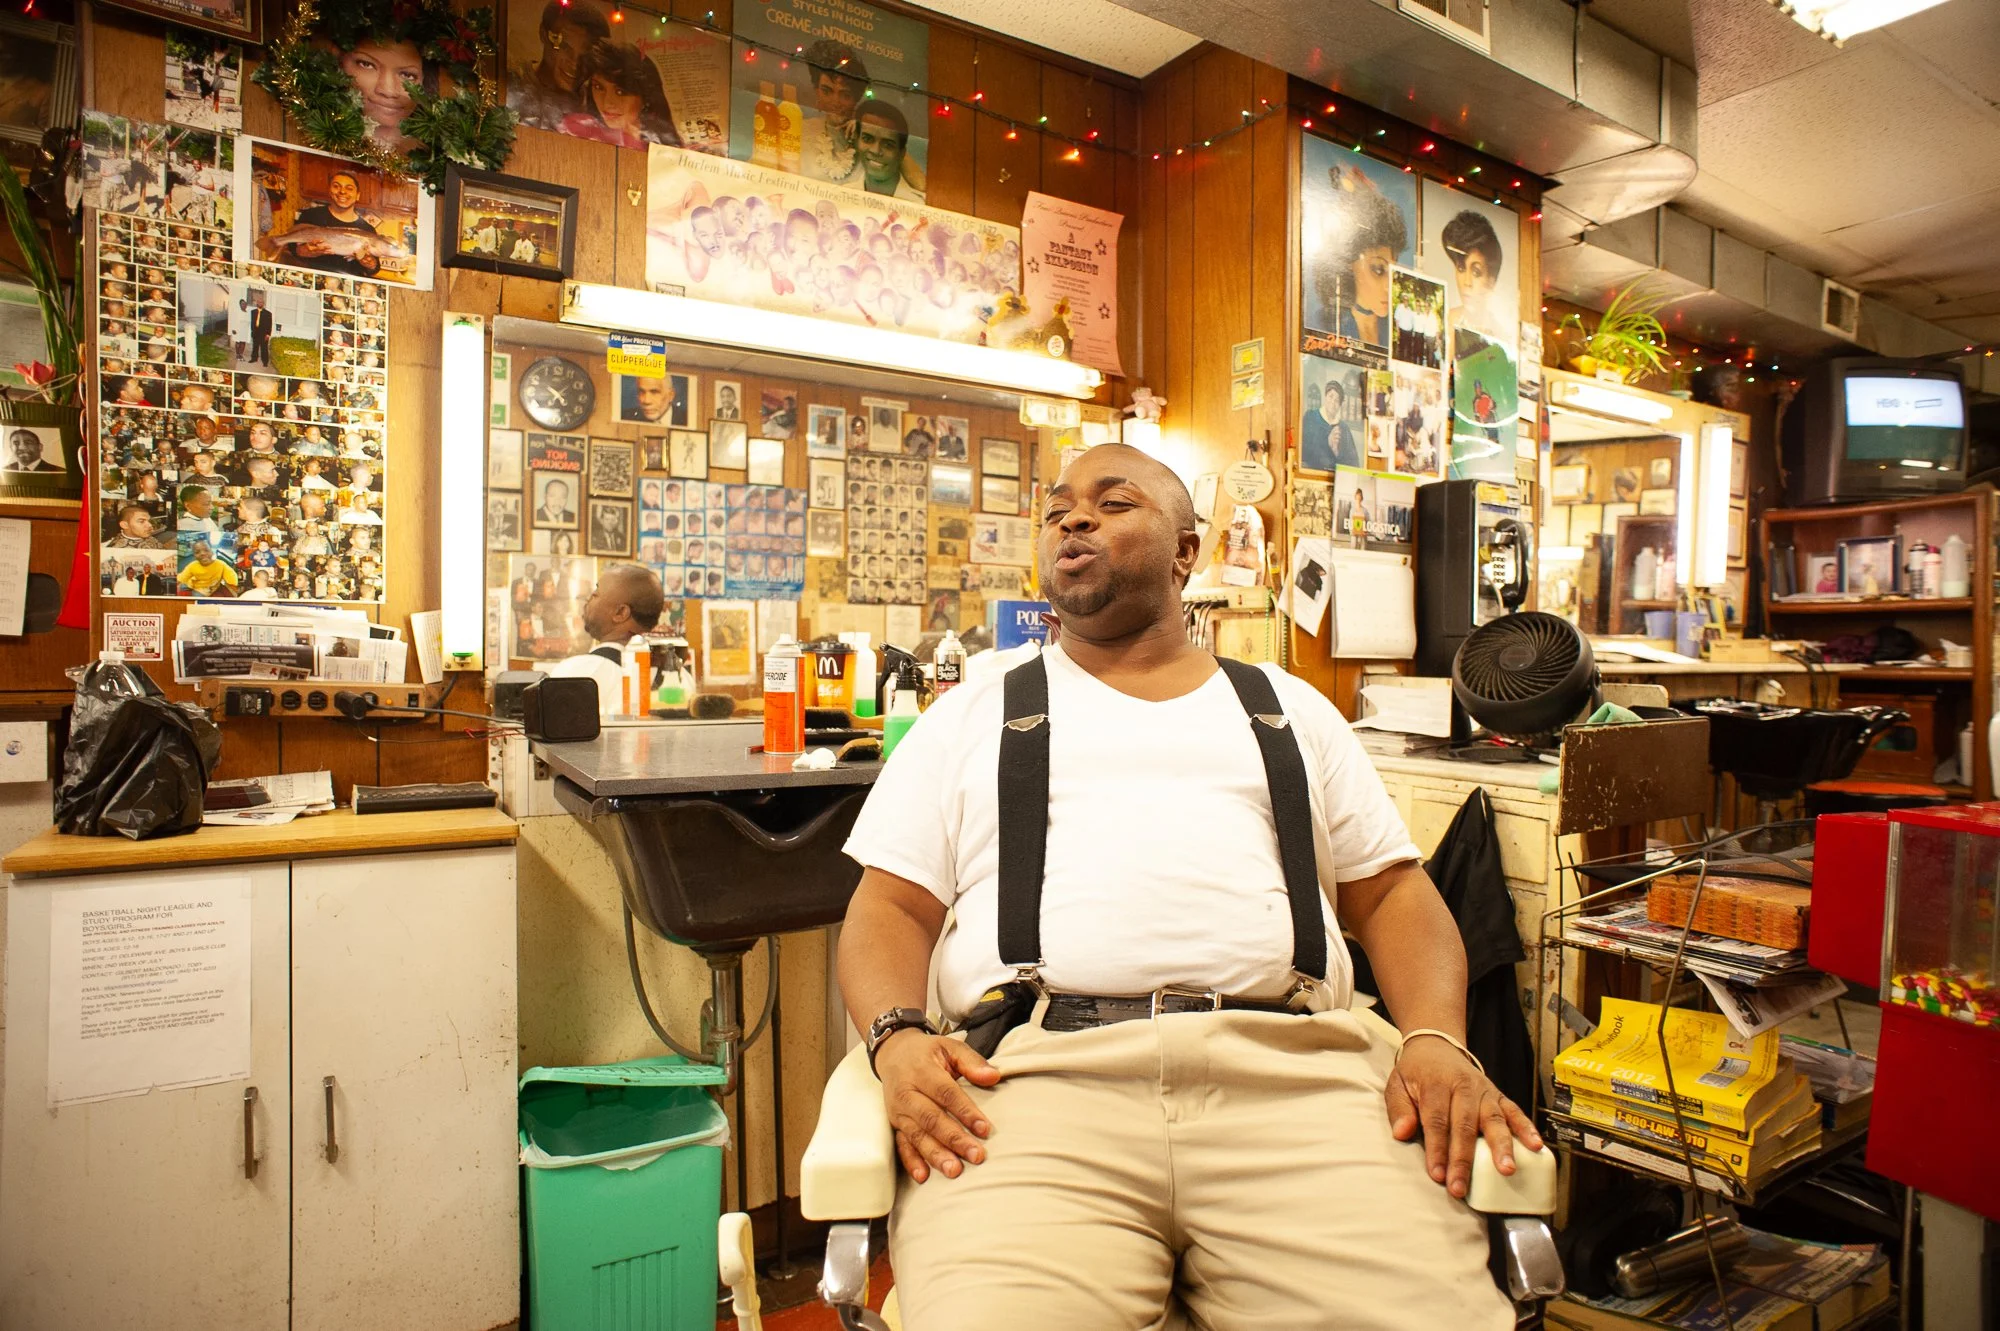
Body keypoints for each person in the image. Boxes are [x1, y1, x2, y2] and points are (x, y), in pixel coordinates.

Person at [836, 443, 1532, 1329]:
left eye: (1113, 502)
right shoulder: (972, 712)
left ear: (1186, 552)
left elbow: (1394, 894)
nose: (1073, 518)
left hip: (1299, 1084)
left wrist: (1434, 1036)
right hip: (1036, 1089)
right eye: (1058, 508)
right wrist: (895, 1036)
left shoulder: (1287, 708)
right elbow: (890, 906)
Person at [543, 562, 665, 700]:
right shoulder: (676, 677)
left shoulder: (579, 672)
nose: (587, 600)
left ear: (620, 612)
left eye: (595, 595)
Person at [1313, 177, 1406, 350]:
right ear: (1348, 264)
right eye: (1378, 270)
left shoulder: (1399, 329)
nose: (1389, 286)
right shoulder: (1324, 324)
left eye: (1394, 271)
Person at [511, 2, 612, 130]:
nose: (574, 64)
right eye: (565, 47)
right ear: (543, 35)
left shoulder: (596, 105)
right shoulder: (512, 82)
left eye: (585, 56)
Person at [560, 42, 680, 149]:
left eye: (620, 92)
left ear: (645, 97)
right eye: (598, 87)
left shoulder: (666, 145)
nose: (607, 103)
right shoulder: (575, 129)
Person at [281, 172, 384, 279]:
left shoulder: (367, 229)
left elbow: (374, 268)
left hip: (346, 285)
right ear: (329, 191)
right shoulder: (311, 215)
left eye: (349, 188)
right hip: (313, 280)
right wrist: (304, 251)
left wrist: (370, 263)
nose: (342, 191)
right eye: (336, 186)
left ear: (358, 195)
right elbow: (292, 247)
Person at [337, 36, 427, 155]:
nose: (388, 91)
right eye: (367, 64)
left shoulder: (432, 158)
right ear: (339, 63)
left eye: (407, 75)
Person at [1439, 210, 1505, 339]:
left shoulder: (1500, 337)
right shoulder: (1446, 323)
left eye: (1476, 272)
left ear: (1491, 280)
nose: (1467, 282)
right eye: (1461, 268)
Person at [854, 100, 922, 200]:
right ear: (857, 141)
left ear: (901, 154)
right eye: (867, 139)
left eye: (888, 145)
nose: (875, 151)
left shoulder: (918, 204)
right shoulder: (840, 195)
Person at [247, 288, 273, 367]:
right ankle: (254, 358)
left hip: (264, 334)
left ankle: (265, 362)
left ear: (263, 304)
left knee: (264, 348)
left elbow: (270, 325)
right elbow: (252, 323)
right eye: (258, 302)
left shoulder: (268, 313)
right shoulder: (253, 312)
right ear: (256, 303)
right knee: (255, 347)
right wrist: (252, 331)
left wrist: (268, 334)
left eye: (261, 302)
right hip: (255, 332)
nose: (260, 303)